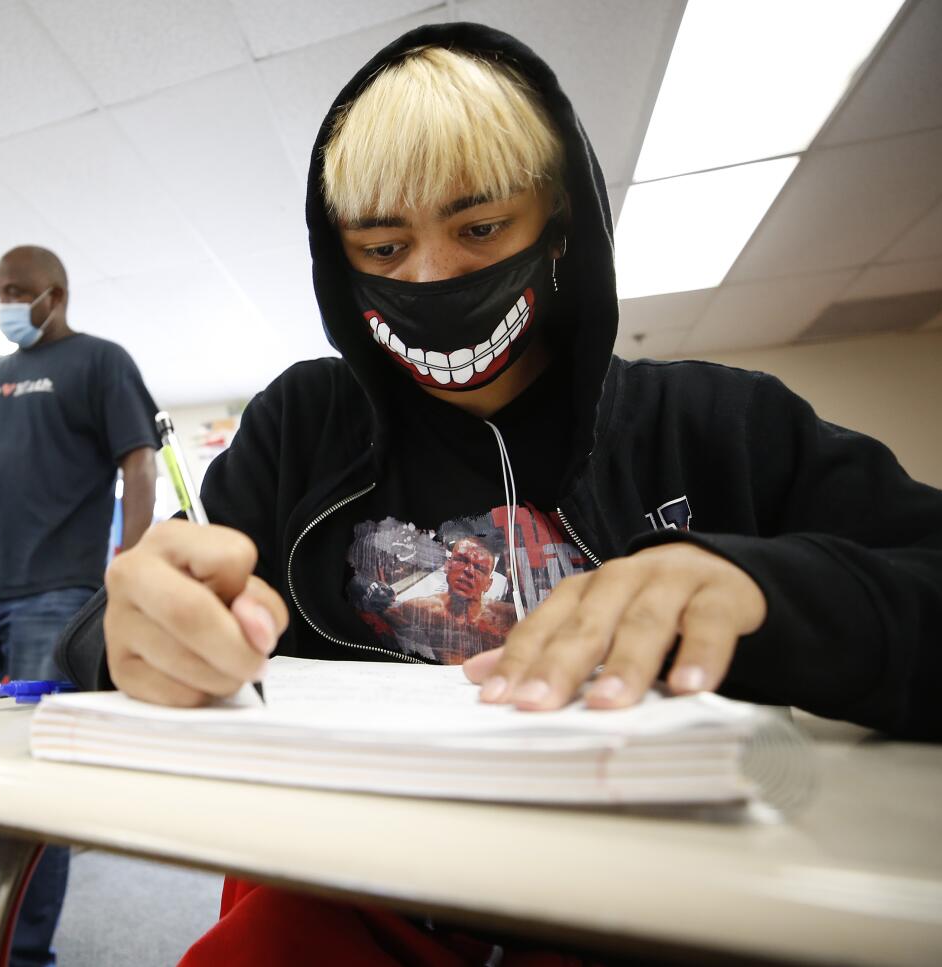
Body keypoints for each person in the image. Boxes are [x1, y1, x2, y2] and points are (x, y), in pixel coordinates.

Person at [55, 21, 942, 965]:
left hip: (666, 906)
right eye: (383, 248)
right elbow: (101, 640)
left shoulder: (722, 422)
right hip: (347, 896)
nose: (432, 278)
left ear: (558, 220)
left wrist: (765, 589)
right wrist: (128, 632)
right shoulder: (298, 427)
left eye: (480, 228)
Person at [0, 245, 159, 967]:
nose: (6, 304)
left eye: (17, 290)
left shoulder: (100, 361)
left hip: (54, 591)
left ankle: (19, 953)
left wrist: (131, 564)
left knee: (38, 769)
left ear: (56, 293)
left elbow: (138, 461)